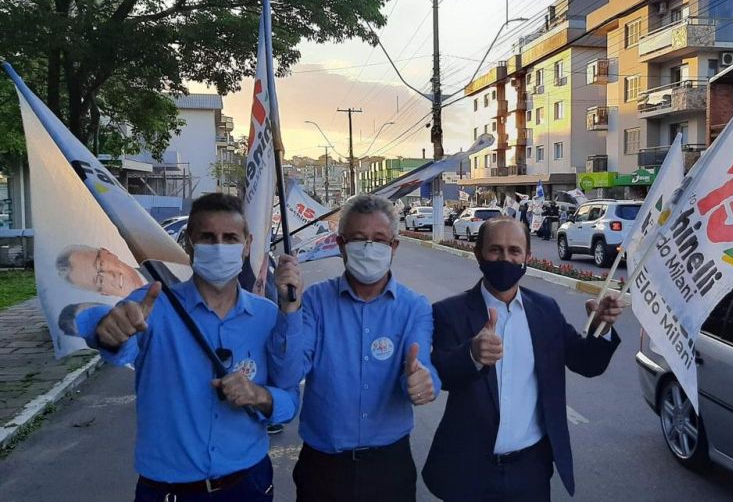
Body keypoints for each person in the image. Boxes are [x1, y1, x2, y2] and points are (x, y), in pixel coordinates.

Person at [75, 193, 299, 501]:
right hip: (168, 490)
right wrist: (108, 331)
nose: (219, 246)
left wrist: (260, 396)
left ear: (247, 246)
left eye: (230, 238)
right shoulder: (154, 304)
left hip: (249, 484)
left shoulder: (267, 315)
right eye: (207, 237)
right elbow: (110, 330)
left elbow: (289, 398)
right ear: (189, 244)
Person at [423, 217, 624, 501]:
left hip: (531, 471)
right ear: (478, 253)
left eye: (514, 251)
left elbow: (586, 363)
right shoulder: (450, 312)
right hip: (469, 470)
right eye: (496, 250)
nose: (505, 258)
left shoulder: (545, 310)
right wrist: (471, 355)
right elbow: (440, 375)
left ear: (527, 257)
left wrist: (601, 327)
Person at [270, 194, 439, 502]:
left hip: (389, 467)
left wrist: (424, 382)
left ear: (394, 247)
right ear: (341, 244)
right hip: (323, 467)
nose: (369, 247)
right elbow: (286, 376)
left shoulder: (414, 307)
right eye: (359, 239)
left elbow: (421, 368)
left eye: (379, 240)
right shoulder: (314, 302)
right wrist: (288, 308)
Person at [56, 244, 145, 296]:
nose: (110, 276)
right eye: (100, 280)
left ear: (107, 253)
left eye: (100, 264)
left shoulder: (155, 258)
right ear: (104, 293)